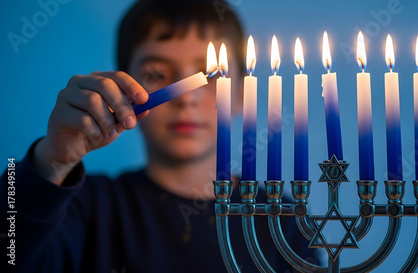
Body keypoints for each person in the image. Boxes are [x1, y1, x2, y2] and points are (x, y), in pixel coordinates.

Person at [1, 0, 318, 272]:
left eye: (211, 75)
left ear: (240, 93)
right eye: (157, 75)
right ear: (124, 88)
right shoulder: (87, 207)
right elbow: (10, 252)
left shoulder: (279, 218)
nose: (186, 97)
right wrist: (52, 162)